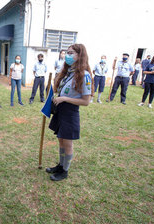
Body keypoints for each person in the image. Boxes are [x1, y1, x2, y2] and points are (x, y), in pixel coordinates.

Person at [46, 44, 92, 181]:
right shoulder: (68, 72)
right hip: (60, 110)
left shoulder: (85, 75)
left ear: (80, 55)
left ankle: (65, 171)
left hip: (70, 112)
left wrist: (65, 98)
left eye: (71, 53)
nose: (67, 55)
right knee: (60, 140)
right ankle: (60, 165)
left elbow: (86, 101)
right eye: (67, 52)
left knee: (67, 143)